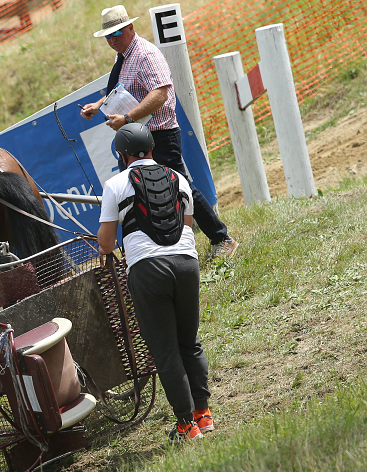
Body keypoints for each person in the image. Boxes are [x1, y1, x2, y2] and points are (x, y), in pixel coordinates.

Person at [81, 5, 238, 260]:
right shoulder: (124, 55)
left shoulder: (145, 54)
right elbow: (123, 89)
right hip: (140, 135)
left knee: (181, 186)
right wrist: (99, 105)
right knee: (133, 189)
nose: (112, 40)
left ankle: (222, 238)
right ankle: (145, 251)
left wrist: (128, 118)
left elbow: (160, 94)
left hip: (160, 134)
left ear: (131, 27)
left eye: (117, 33)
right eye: (108, 36)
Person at [97, 123, 214, 442]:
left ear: (121, 156)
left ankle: (185, 425)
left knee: (165, 352)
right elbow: (187, 225)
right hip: (187, 265)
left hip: (148, 272)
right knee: (189, 342)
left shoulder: (115, 185)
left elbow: (106, 244)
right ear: (152, 148)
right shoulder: (179, 179)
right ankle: (204, 416)